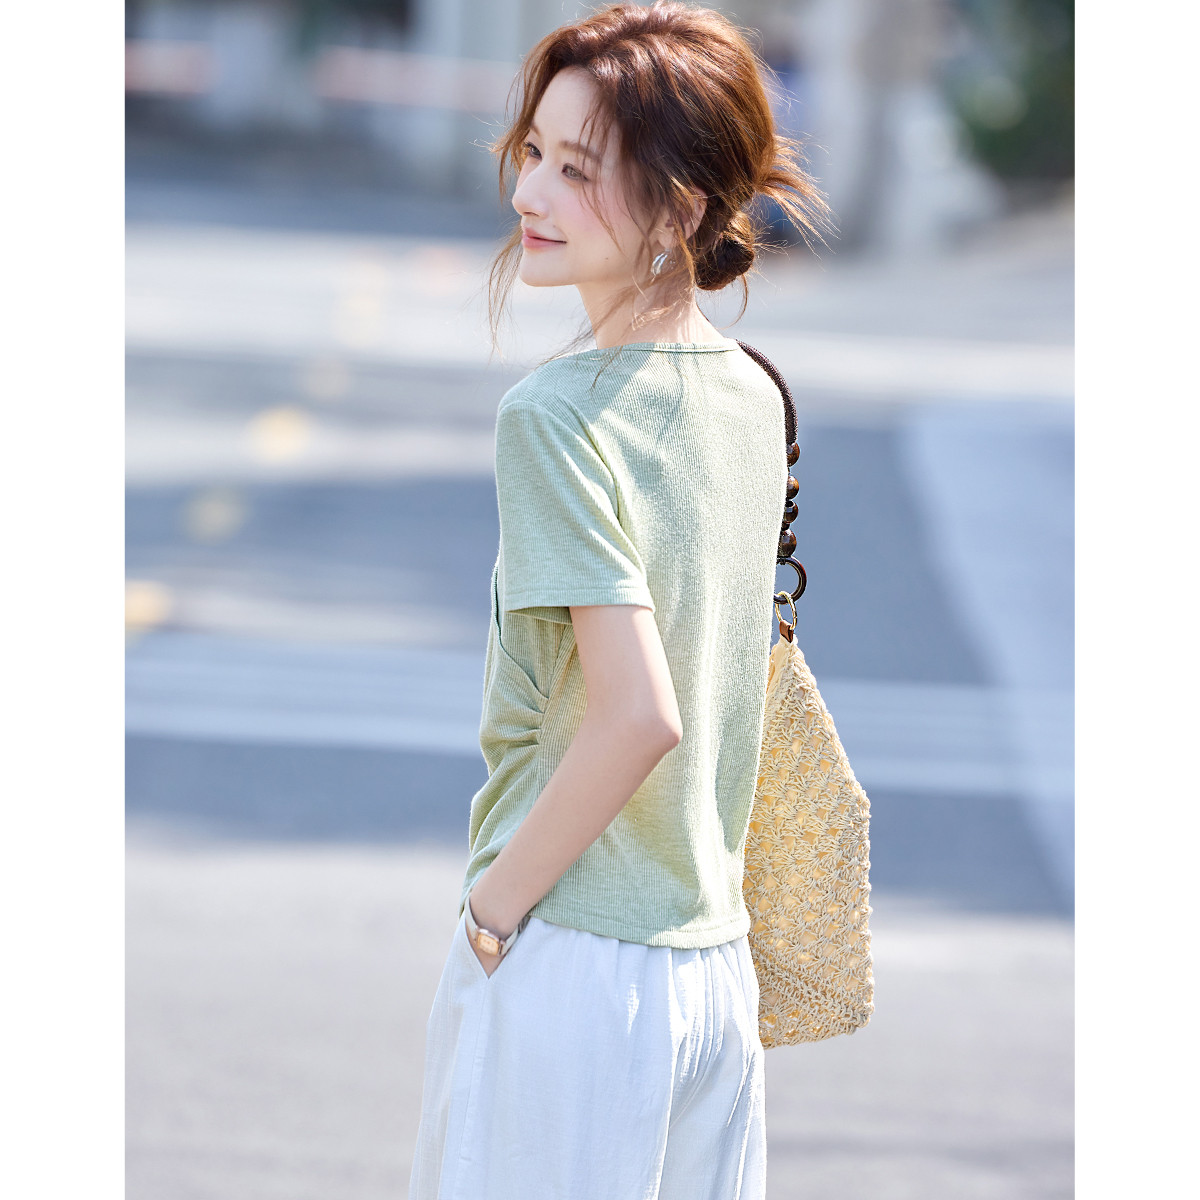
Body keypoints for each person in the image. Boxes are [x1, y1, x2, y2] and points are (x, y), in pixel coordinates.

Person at [408, 4, 834, 1197]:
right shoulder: (754, 393)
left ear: (682, 209)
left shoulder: (557, 415)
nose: (529, 193)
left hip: (572, 960)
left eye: (578, 169)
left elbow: (640, 715)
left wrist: (493, 916)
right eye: (534, 153)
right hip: (713, 976)